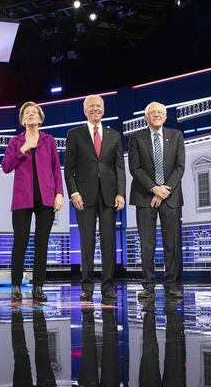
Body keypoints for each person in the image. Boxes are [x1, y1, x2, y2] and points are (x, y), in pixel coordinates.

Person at [64, 95, 125, 302]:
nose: (95, 109)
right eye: (91, 107)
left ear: (103, 109)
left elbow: (119, 168)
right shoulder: (74, 134)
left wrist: (120, 192)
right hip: (84, 196)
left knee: (109, 242)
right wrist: (73, 193)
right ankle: (87, 286)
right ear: (85, 110)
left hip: (109, 195)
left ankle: (108, 286)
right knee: (87, 242)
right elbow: (69, 169)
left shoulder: (114, 135)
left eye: (98, 106)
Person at [1, 102, 64, 302]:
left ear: (39, 118)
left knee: (41, 243)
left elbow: (56, 168)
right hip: (22, 199)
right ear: (22, 120)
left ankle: (38, 286)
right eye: (26, 113)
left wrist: (59, 193)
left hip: (46, 197)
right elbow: (6, 167)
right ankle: (16, 285)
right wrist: (23, 149)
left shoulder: (49, 140)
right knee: (20, 242)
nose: (30, 115)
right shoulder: (15, 142)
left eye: (34, 113)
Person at [128, 101, 185, 300]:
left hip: (170, 196)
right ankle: (148, 286)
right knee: (147, 244)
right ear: (146, 117)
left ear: (166, 116)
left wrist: (164, 190)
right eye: (153, 113)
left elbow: (180, 167)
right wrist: (154, 189)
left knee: (171, 244)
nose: (157, 115)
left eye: (160, 112)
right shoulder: (136, 137)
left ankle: (171, 285)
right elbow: (135, 168)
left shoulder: (176, 136)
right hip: (145, 197)